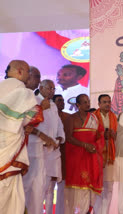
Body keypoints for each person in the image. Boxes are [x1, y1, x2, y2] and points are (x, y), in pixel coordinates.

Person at [0, 60, 48, 214]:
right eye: (28, 72)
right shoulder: (23, 91)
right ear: (20, 72)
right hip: (9, 150)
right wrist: (42, 108)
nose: (29, 77)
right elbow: (30, 118)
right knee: (9, 194)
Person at [23, 79, 61, 214]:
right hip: (33, 150)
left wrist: (59, 137)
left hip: (50, 152)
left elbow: (58, 125)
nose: (52, 91)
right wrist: (43, 136)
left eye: (53, 89)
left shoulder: (53, 105)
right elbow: (26, 125)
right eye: (49, 88)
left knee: (43, 189)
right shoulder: (33, 100)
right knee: (30, 188)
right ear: (41, 87)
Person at [64, 94, 105, 214]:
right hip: (76, 157)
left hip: (91, 157)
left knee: (89, 188)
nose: (88, 104)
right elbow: (68, 137)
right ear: (78, 105)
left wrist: (95, 147)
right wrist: (84, 145)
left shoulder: (94, 118)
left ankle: (87, 211)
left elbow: (100, 137)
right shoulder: (71, 118)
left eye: (88, 102)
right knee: (76, 189)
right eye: (84, 102)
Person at [93, 94, 118, 214]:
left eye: (109, 102)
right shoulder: (93, 117)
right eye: (104, 102)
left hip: (110, 156)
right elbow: (90, 135)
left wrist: (114, 135)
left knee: (109, 187)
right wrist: (103, 135)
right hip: (97, 157)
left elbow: (119, 136)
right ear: (99, 104)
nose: (107, 104)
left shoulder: (114, 117)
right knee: (98, 188)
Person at [53, 94, 70, 214]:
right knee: (48, 188)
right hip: (50, 154)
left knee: (63, 188)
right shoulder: (49, 116)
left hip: (65, 155)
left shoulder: (68, 117)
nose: (62, 103)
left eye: (63, 100)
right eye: (59, 100)